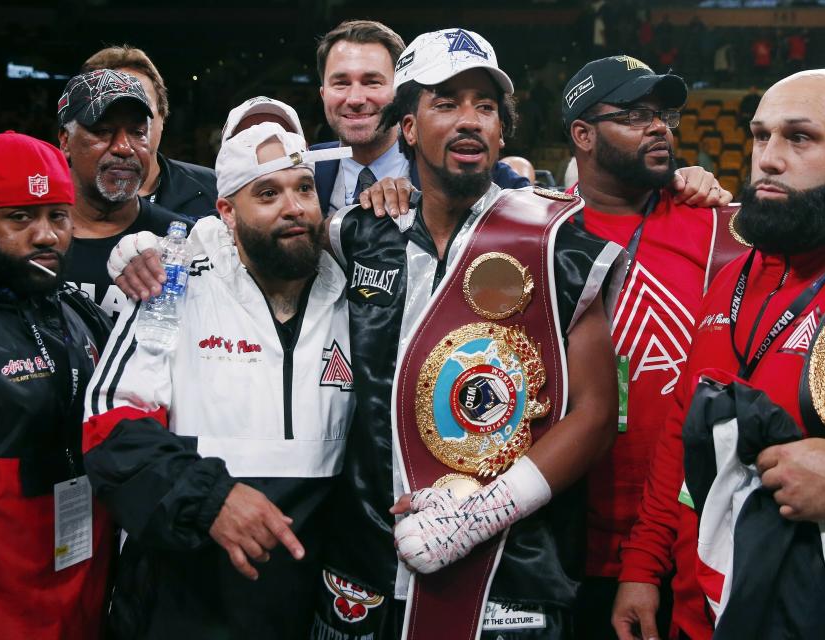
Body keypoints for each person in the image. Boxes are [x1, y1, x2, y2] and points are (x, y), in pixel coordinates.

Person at [313, 28, 620, 639]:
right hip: (366, 558)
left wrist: (484, 513)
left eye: (485, 105)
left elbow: (595, 412)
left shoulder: (556, 240)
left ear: (502, 131)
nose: (469, 120)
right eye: (446, 103)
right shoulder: (354, 234)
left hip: (511, 564)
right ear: (406, 127)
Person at [611, 68, 825, 640]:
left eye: (800, 138)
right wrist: (643, 566)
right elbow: (683, 432)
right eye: (761, 136)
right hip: (703, 612)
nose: (768, 159)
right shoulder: (732, 277)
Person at [82, 122, 355, 639]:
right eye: (268, 193)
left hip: (318, 610)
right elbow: (108, 427)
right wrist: (210, 499)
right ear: (226, 213)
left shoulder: (358, 292)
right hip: (188, 604)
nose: (294, 206)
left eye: (303, 188)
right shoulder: (172, 285)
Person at [560, 55, 744, 640]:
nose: (659, 126)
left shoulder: (715, 225)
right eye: (636, 115)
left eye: (663, 115)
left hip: (693, 534)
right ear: (583, 136)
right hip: (564, 538)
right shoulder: (542, 232)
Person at [0, 131, 113, 640]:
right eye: (19, 217)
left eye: (57, 216)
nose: (45, 236)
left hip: (83, 578)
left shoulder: (80, 312)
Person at [310, 19, 528, 216]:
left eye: (372, 82)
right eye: (341, 83)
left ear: (399, 96)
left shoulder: (483, 176)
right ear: (323, 94)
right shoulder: (304, 170)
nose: (355, 98)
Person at [58, 68, 190, 320]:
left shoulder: (182, 243)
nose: (123, 147)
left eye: (137, 132)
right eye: (102, 131)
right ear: (65, 141)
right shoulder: (33, 243)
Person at [82, 45, 218, 218]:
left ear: (162, 115)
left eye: (139, 109)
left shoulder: (213, 187)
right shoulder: (56, 196)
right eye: (109, 112)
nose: (127, 124)